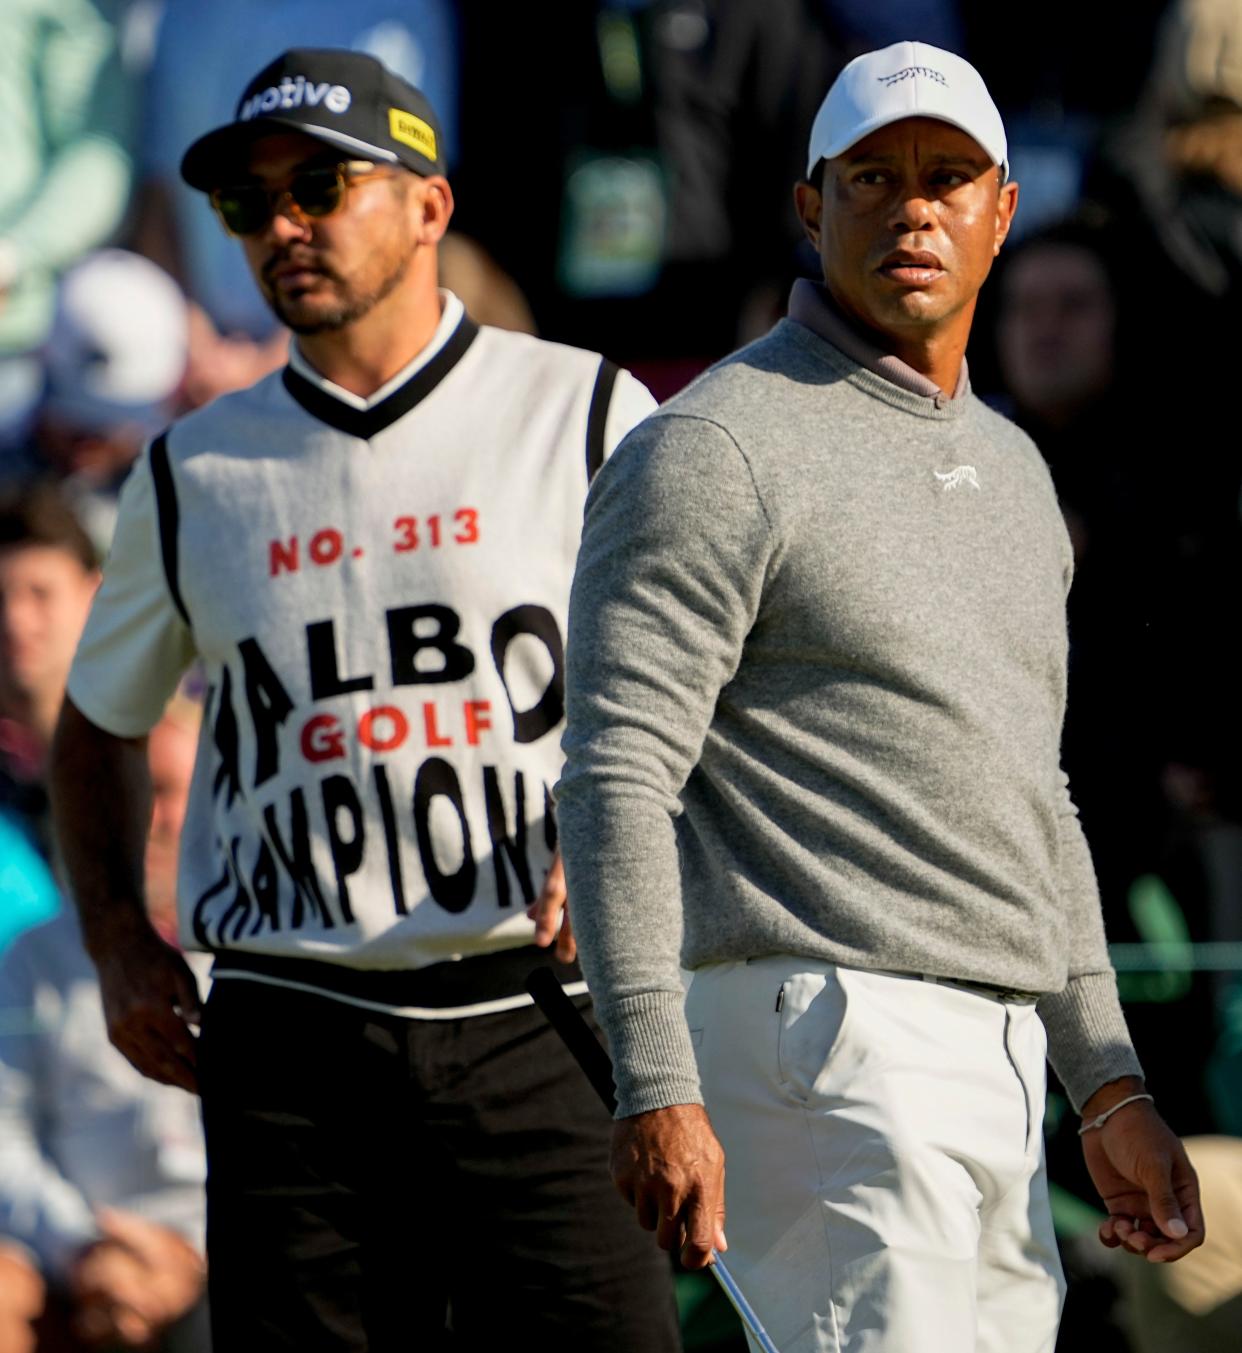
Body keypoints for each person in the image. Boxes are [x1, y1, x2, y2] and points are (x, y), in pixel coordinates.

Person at [555, 40, 1204, 1353]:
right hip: (812, 1029)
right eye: (874, 176)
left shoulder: (1018, 473)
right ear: (810, 204)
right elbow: (615, 774)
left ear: (999, 211)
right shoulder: (709, 446)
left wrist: (1104, 1080)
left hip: (996, 1051)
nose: (913, 205)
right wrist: (654, 1079)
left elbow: (1033, 798)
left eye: (947, 176)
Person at [49, 47, 679, 1353]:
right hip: (292, 1036)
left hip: (538, 1012)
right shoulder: (193, 469)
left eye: (320, 185)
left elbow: (714, 681)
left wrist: (638, 824)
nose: (282, 226)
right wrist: (116, 938)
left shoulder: (583, 410)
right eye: (247, 203)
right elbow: (98, 720)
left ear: (429, 206)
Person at [0, 698, 210, 1353]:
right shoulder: (35, 955)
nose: (149, 820)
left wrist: (185, 1256)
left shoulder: (265, 953)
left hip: (214, 1247)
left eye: (169, 793)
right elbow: (4, 1130)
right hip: (70, 1247)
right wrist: (83, 1244)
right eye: (130, 795)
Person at [0, 485, 99, 953]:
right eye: (0, 597)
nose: (16, 620)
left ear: (94, 594)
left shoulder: (165, 758)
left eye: (40, 594)